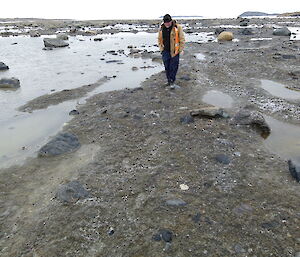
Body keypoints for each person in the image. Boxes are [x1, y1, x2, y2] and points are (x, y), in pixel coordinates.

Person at [158, 14, 185, 86]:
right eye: (166, 23)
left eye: (168, 22)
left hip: (175, 51)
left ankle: (172, 81)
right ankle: (169, 80)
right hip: (165, 51)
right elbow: (159, 39)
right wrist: (161, 49)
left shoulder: (177, 27)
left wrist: (180, 49)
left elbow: (182, 39)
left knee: (173, 67)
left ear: (171, 21)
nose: (167, 24)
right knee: (167, 66)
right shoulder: (161, 28)